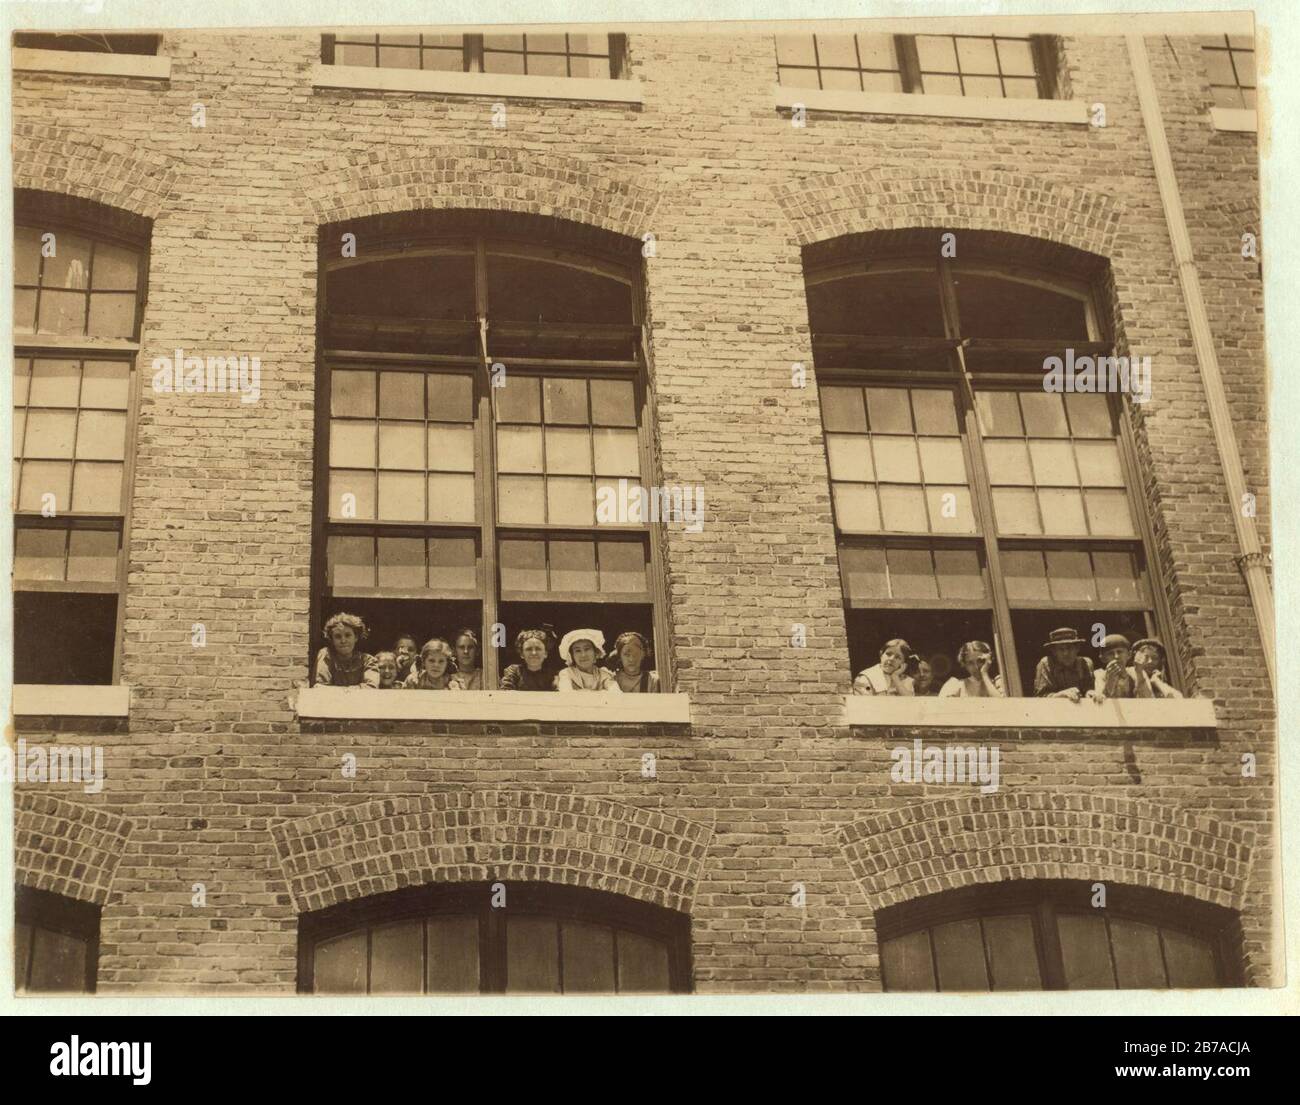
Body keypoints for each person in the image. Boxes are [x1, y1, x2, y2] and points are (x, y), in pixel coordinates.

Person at [314, 612, 379, 687]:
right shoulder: (326, 655)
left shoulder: (368, 661)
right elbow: (321, 687)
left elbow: (371, 687)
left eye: (348, 635)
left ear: (356, 637)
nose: (343, 641)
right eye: (338, 636)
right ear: (332, 640)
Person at [1033, 628, 1094, 701]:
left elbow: (1088, 689)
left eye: (1069, 648)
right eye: (1061, 649)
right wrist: (1061, 695)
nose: (1066, 653)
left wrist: (1090, 693)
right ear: (1054, 652)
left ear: (1077, 648)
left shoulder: (1085, 663)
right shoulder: (1046, 665)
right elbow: (1040, 699)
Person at [556, 629, 622, 692]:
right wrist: (602, 692)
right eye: (577, 651)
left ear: (595, 652)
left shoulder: (604, 675)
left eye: (587, 649)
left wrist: (580, 692)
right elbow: (566, 694)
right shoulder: (566, 674)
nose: (583, 655)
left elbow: (616, 693)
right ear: (572, 655)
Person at [939, 640, 1004, 698]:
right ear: (964, 664)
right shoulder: (957, 685)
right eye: (970, 663)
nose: (976, 667)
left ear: (988, 660)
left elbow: (1002, 704)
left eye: (980, 661)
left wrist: (984, 674)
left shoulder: (998, 682)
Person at [852, 639, 917, 696]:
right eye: (888, 654)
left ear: (903, 663)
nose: (891, 659)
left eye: (897, 657)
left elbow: (911, 703)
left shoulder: (907, 680)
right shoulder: (866, 677)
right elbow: (863, 705)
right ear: (881, 654)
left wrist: (895, 677)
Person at [1092, 633, 1139, 702]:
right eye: (1110, 653)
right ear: (1103, 658)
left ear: (1129, 654)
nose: (1116, 656)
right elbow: (1101, 699)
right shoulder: (1100, 674)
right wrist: (1110, 680)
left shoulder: (1134, 672)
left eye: (1120, 652)